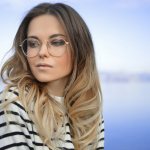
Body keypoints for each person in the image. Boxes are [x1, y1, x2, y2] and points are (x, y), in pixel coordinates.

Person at [0, 2, 104, 150]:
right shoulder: (14, 102)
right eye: (33, 43)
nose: (42, 52)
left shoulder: (90, 112)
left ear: (80, 49)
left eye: (56, 42)